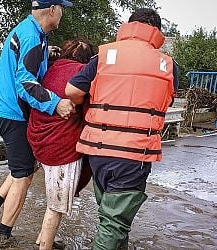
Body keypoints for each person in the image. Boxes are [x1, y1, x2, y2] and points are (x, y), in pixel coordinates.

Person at [65, 8, 179, 249]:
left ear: (129, 26)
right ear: (156, 32)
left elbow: (72, 91)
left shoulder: (103, 55)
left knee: (111, 218)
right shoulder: (167, 65)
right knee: (114, 224)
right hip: (134, 154)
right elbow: (166, 102)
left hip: (97, 152)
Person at [0, 0, 75, 245]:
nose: (62, 13)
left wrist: (47, 54)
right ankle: (3, 236)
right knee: (23, 176)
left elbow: (26, 66)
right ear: (52, 10)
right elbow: (25, 83)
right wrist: (56, 103)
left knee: (24, 166)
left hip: (6, 110)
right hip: (14, 115)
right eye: (61, 8)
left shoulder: (31, 32)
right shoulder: (32, 37)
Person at [27, 39, 95, 250]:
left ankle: (42, 239)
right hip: (61, 147)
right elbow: (89, 114)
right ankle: (44, 246)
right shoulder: (84, 75)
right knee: (55, 206)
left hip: (37, 140)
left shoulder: (49, 69)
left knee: (53, 199)